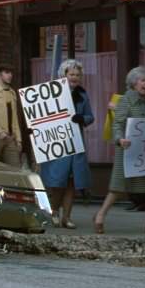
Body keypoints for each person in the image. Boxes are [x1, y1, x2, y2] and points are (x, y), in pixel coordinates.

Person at [94, 66, 145, 235]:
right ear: (134, 83)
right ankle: (100, 215)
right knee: (117, 187)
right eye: (143, 80)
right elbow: (118, 123)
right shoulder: (125, 100)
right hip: (127, 149)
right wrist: (120, 139)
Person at [40, 59, 94, 229]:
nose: (75, 77)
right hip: (59, 143)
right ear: (64, 75)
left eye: (78, 75)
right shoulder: (52, 93)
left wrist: (82, 118)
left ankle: (67, 217)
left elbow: (90, 117)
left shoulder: (83, 95)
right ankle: (54, 212)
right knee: (58, 181)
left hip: (76, 144)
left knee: (72, 183)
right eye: (71, 74)